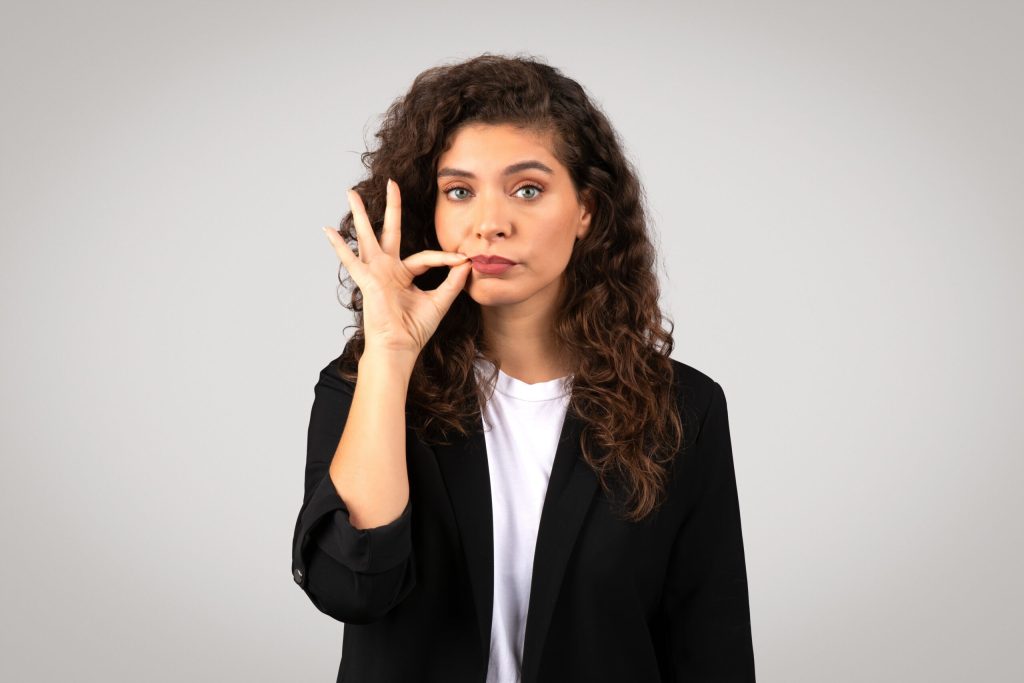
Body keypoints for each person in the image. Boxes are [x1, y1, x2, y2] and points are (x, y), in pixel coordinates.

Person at [291, 53, 755, 683]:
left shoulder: (681, 408)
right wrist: (391, 356)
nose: (490, 224)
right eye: (460, 192)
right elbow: (351, 589)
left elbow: (710, 643)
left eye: (527, 190)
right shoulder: (366, 384)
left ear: (586, 209)